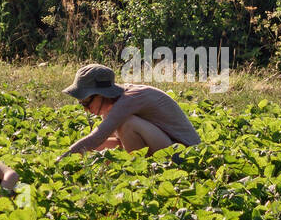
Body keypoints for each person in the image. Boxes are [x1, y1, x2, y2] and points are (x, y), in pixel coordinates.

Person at [60, 63, 200, 156]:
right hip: (165, 146)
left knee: (127, 124)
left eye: (86, 102)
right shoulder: (112, 105)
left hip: (184, 154)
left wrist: (61, 159)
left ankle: (139, 173)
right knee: (101, 146)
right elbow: (114, 143)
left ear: (102, 94)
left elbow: (96, 137)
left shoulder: (128, 99)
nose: (86, 109)